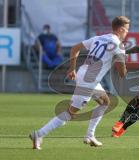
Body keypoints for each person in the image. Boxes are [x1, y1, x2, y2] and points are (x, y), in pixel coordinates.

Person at [29, 16, 130, 149]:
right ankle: (39, 134)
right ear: (121, 29)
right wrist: (123, 63)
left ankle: (90, 135)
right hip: (89, 81)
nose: (127, 33)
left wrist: (72, 68)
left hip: (83, 73)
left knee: (105, 102)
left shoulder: (99, 38)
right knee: (69, 114)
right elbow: (122, 73)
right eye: (127, 30)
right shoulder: (118, 45)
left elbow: (74, 48)